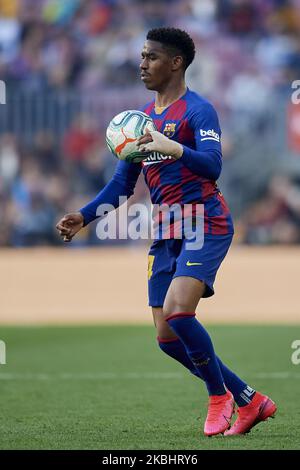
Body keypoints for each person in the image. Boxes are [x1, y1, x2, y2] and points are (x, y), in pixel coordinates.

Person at [56, 27, 276, 436]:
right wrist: (84, 216)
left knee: (179, 311)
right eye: (142, 56)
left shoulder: (198, 111)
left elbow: (212, 165)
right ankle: (249, 399)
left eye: (152, 57)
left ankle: (218, 397)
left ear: (176, 63)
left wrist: (173, 147)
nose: (143, 64)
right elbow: (122, 185)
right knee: (166, 337)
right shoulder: (138, 120)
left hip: (204, 221)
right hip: (167, 228)